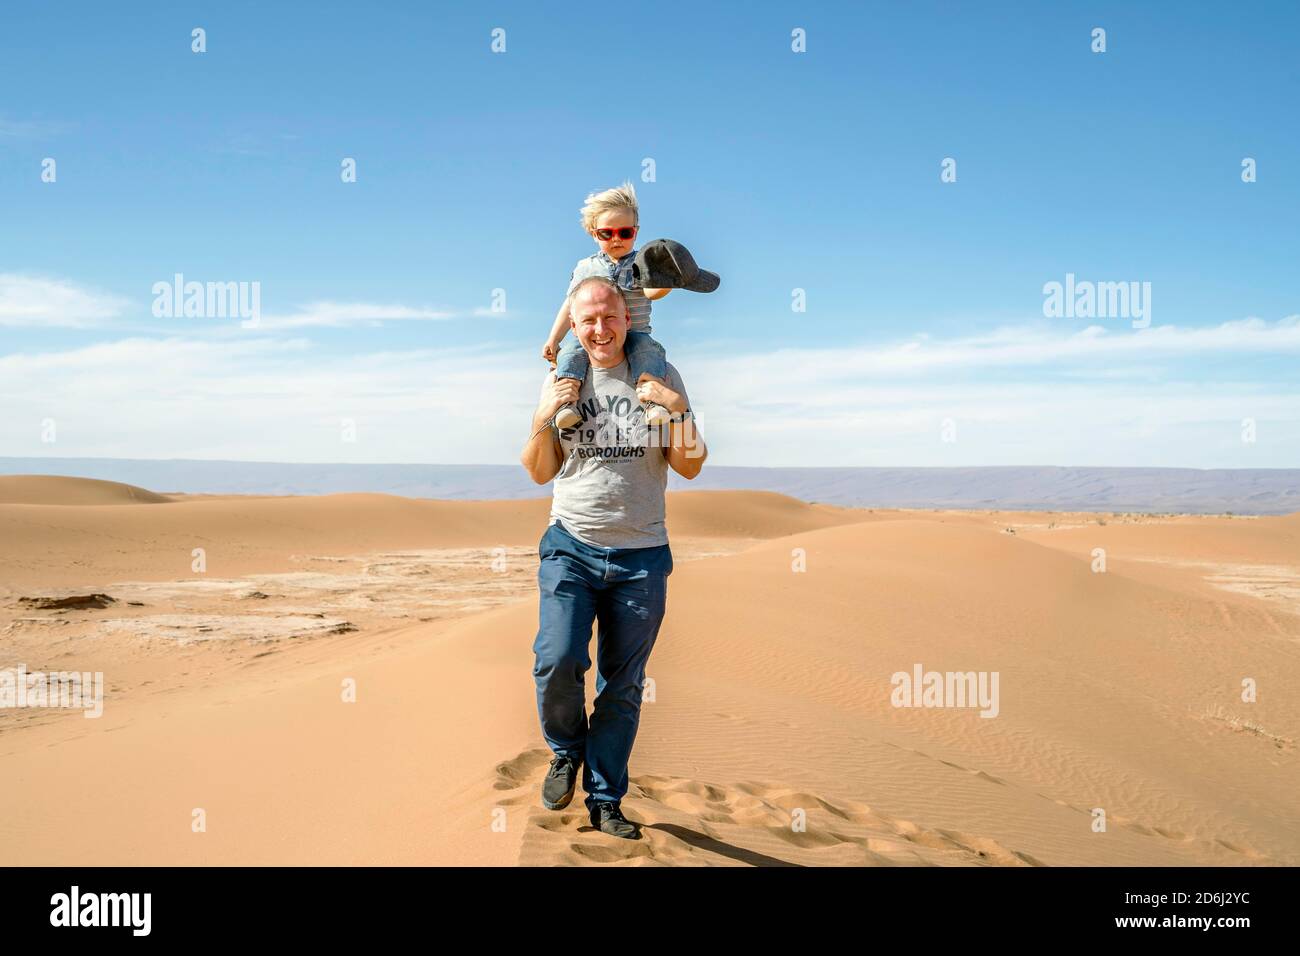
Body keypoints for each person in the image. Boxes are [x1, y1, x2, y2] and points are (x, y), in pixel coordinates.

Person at [520, 275, 707, 839]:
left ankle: (605, 799)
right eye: (587, 321)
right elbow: (537, 471)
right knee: (557, 662)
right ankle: (564, 752)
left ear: (628, 318)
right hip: (570, 547)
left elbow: (692, 464)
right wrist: (543, 417)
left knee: (622, 686)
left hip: (641, 556)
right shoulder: (563, 380)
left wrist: (677, 411)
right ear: (574, 327)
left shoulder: (660, 374)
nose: (599, 329)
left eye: (609, 317)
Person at [541, 182, 675, 429]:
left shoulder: (642, 262)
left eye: (625, 233)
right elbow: (570, 304)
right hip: (592, 334)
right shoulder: (586, 267)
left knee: (647, 353)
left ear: (636, 231)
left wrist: (669, 279)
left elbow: (651, 292)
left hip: (635, 332)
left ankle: (652, 404)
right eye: (607, 233)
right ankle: (565, 406)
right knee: (570, 354)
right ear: (594, 233)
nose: (616, 240)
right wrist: (553, 338)